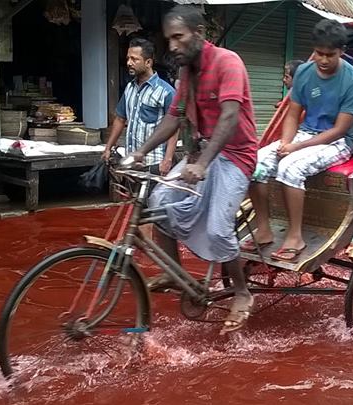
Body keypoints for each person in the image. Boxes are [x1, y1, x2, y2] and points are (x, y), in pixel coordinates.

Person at [131, 5, 259, 334]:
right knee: (159, 202)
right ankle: (175, 272)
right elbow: (173, 118)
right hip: (202, 153)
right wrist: (138, 153)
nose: (172, 46)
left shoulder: (228, 62)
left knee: (219, 229)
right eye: (168, 39)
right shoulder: (186, 72)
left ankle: (242, 293)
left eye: (178, 37)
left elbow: (229, 119)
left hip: (235, 156)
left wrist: (202, 163)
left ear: (199, 35)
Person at [246, 20, 353, 261]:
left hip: (337, 142)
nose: (322, 60)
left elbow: (340, 130)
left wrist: (295, 148)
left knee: (290, 167)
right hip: (303, 134)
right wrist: (284, 143)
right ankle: (264, 228)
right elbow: (292, 113)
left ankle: (295, 236)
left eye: (329, 55)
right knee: (255, 163)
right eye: (319, 53)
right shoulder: (304, 72)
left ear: (341, 51)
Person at [102, 38, 178, 175]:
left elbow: (174, 128)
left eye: (134, 59)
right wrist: (108, 147)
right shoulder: (130, 88)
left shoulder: (166, 92)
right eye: (128, 58)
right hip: (132, 161)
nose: (128, 63)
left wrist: (167, 159)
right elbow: (120, 119)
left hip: (154, 162)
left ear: (148, 62)